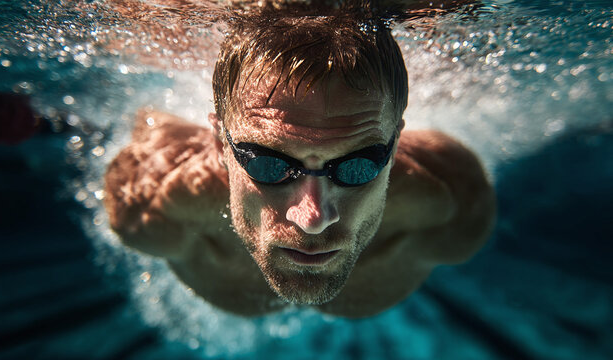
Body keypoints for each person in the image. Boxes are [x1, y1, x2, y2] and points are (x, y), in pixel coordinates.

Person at [104, 5, 495, 317]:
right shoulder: (153, 206)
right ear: (218, 144)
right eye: (268, 165)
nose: (313, 219)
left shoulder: (452, 207)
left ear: (395, 147)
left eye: (357, 166)